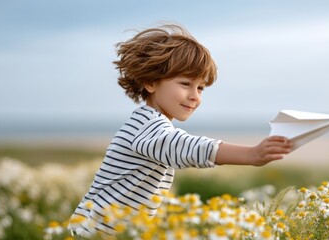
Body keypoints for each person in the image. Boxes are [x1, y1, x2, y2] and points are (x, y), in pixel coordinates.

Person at [68, 24, 293, 237]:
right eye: (185, 84)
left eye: (201, 88)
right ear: (150, 83)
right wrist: (252, 155)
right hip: (94, 234)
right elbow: (186, 147)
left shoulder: (148, 122)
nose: (195, 96)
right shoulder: (148, 126)